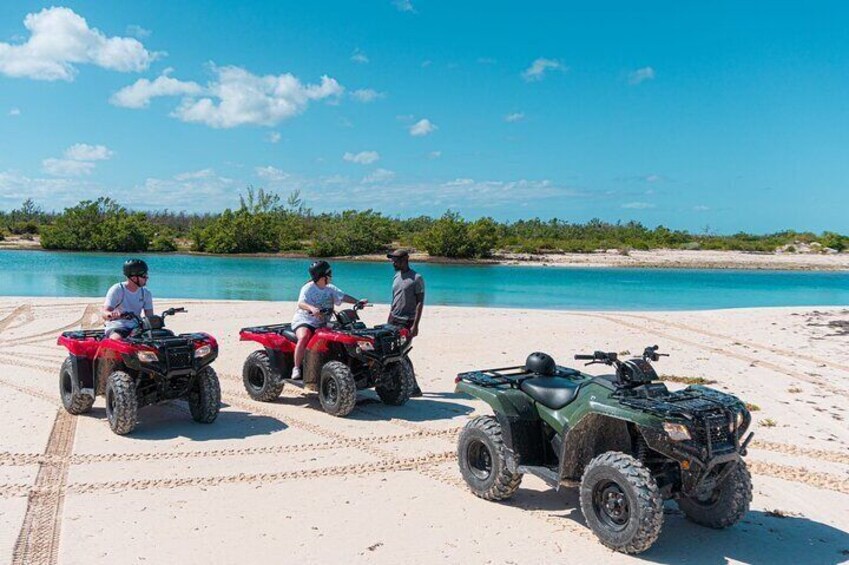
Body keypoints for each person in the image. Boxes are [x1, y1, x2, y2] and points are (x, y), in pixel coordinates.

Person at [291, 260, 366, 380]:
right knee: (304, 336)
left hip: (323, 322)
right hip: (305, 320)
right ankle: (296, 368)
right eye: (329, 273)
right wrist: (311, 308)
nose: (331, 276)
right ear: (322, 276)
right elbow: (301, 303)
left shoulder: (330, 288)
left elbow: (343, 296)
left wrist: (357, 301)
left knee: (343, 334)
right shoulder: (308, 288)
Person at [386, 249, 424, 397]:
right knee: (390, 352)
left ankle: (414, 386)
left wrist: (415, 325)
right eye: (392, 261)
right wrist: (389, 319)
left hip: (407, 322)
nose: (393, 263)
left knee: (402, 352)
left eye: (396, 260)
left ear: (405, 259)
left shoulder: (416, 278)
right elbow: (394, 299)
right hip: (393, 320)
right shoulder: (396, 277)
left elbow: (420, 302)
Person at [102, 259, 153, 340]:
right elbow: (104, 312)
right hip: (118, 326)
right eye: (144, 275)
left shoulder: (146, 292)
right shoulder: (117, 289)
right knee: (116, 340)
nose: (147, 278)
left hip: (136, 327)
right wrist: (111, 314)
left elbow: (150, 316)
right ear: (134, 277)